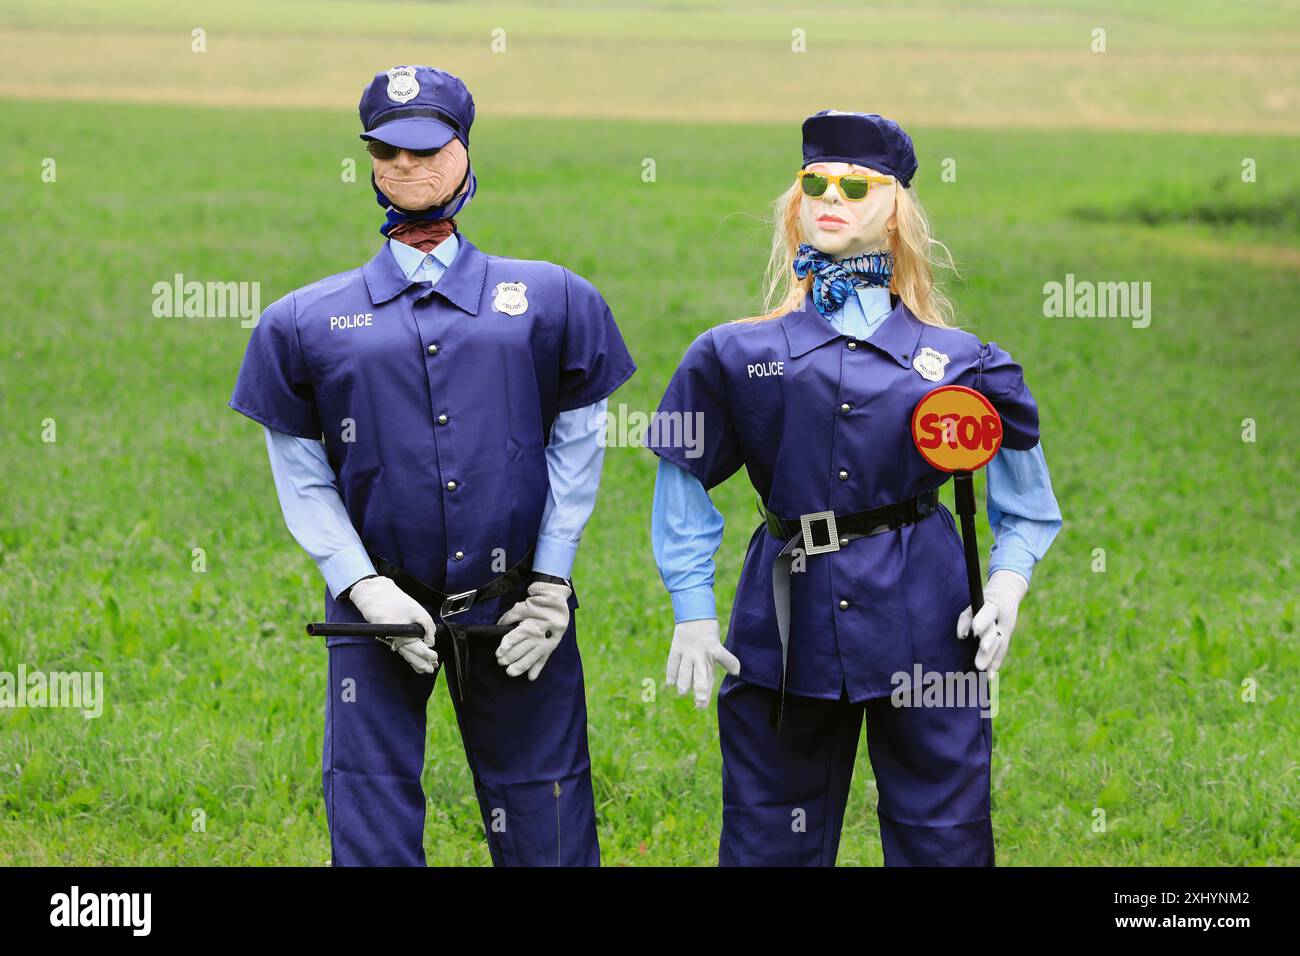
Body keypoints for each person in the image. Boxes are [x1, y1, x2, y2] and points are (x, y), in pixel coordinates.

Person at [229, 65, 635, 866]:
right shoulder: (300, 322)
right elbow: (302, 473)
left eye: (427, 149)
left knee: (546, 809)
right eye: (387, 150)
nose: (407, 167)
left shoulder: (554, 300)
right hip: (370, 604)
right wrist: (362, 585)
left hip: (515, 601)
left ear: (465, 150)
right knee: (369, 807)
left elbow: (577, 452)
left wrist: (551, 581)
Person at [646, 110, 1062, 866]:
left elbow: (1029, 507)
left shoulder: (966, 363)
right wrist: (693, 612)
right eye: (815, 183)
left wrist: (1003, 589)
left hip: (930, 622)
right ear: (795, 202)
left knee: (945, 835)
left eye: (856, 186)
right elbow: (681, 485)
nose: (830, 197)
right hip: (783, 626)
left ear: (895, 208)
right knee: (769, 833)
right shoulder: (732, 355)